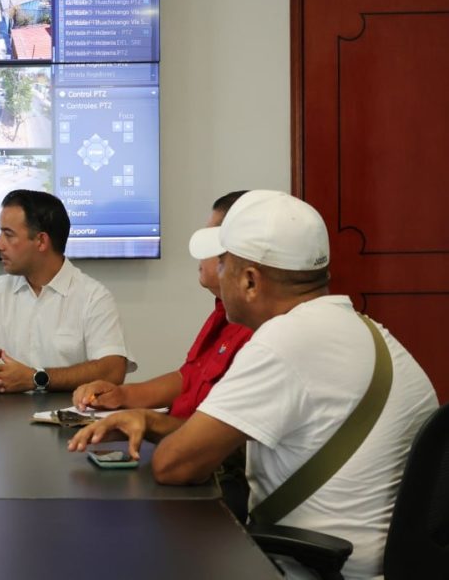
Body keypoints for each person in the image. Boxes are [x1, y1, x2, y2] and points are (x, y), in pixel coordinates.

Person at [68, 190, 437, 580]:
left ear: (249, 281)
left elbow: (175, 466)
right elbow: (237, 438)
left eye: (223, 263)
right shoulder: (365, 330)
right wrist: (152, 420)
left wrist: (161, 435)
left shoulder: (282, 344)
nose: (217, 274)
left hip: (314, 567)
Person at [71, 191, 252, 417]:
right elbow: (187, 377)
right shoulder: (223, 312)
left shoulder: (259, 327)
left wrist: (148, 424)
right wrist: (122, 396)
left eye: (209, 241)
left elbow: (223, 437)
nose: (200, 255)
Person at [0, 190, 134, 393]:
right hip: (1, 419)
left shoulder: (93, 297)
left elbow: (113, 370)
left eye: (8, 235)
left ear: (41, 241)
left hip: (70, 420)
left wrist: (37, 378)